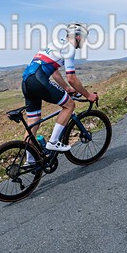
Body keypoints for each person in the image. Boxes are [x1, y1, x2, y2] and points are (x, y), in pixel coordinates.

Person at [21, 23, 98, 157]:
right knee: (69, 105)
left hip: (26, 81)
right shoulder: (69, 48)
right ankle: (54, 141)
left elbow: (55, 72)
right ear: (79, 37)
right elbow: (72, 78)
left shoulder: (55, 43)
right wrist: (88, 95)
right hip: (39, 81)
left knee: (33, 122)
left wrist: (67, 89)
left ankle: (30, 160)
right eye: (84, 38)